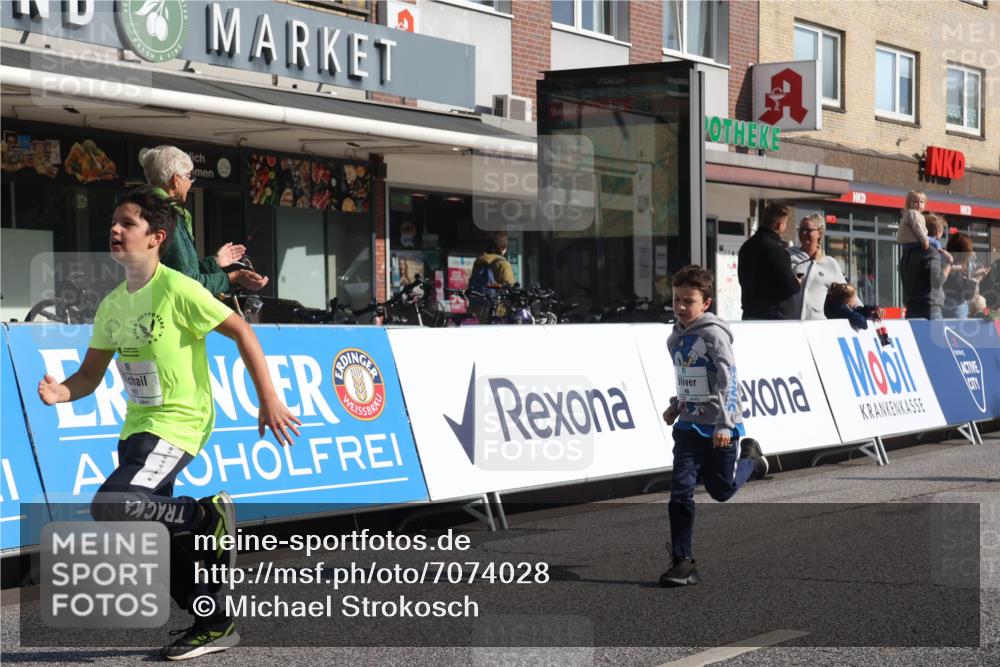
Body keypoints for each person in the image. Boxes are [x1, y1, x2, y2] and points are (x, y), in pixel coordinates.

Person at [37, 187, 301, 660]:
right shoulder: (113, 304)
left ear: (157, 237)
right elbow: (89, 376)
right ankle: (214, 623)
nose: (115, 230)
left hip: (179, 423)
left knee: (113, 505)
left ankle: (204, 516)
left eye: (128, 224)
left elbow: (240, 330)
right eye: (113, 223)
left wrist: (269, 399)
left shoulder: (178, 288)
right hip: (137, 430)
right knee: (151, 535)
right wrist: (61, 393)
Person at [660, 265, 769, 588]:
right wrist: (676, 405)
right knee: (680, 491)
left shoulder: (713, 335)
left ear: (706, 303)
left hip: (719, 427)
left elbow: (728, 379)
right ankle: (683, 561)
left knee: (720, 491)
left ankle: (751, 460)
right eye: (676, 299)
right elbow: (689, 379)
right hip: (688, 428)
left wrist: (725, 424)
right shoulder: (674, 338)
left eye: (688, 301)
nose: (681, 307)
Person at [140, 145, 267, 295]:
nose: (191, 183)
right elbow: (186, 283)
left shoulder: (143, 209)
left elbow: (179, 271)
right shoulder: (166, 216)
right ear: (176, 179)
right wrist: (234, 277)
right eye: (189, 176)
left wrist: (215, 262)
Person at [738, 203, 800, 320]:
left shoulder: (746, 246)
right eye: (785, 223)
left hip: (750, 314)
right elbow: (790, 286)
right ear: (779, 225)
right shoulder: (776, 250)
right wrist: (796, 282)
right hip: (774, 318)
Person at [786, 214, 853, 319]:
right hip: (791, 326)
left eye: (808, 230)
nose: (803, 233)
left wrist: (866, 310)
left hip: (817, 327)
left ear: (820, 233)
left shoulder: (830, 263)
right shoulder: (787, 255)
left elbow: (848, 294)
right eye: (801, 230)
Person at [901, 213, 950, 320]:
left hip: (911, 308)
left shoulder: (908, 251)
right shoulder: (931, 250)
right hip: (929, 309)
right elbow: (937, 281)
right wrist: (949, 264)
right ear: (939, 231)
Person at [943, 230, 991, 319]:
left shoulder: (947, 265)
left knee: (981, 302)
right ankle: (990, 317)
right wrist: (977, 278)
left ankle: (989, 315)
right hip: (955, 315)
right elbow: (967, 293)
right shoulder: (954, 268)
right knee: (980, 302)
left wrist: (976, 276)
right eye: (969, 251)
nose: (971, 253)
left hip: (953, 311)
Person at [468, 231, 515, 322]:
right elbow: (511, 289)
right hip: (498, 313)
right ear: (503, 248)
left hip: (479, 311)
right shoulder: (503, 265)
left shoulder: (479, 263)